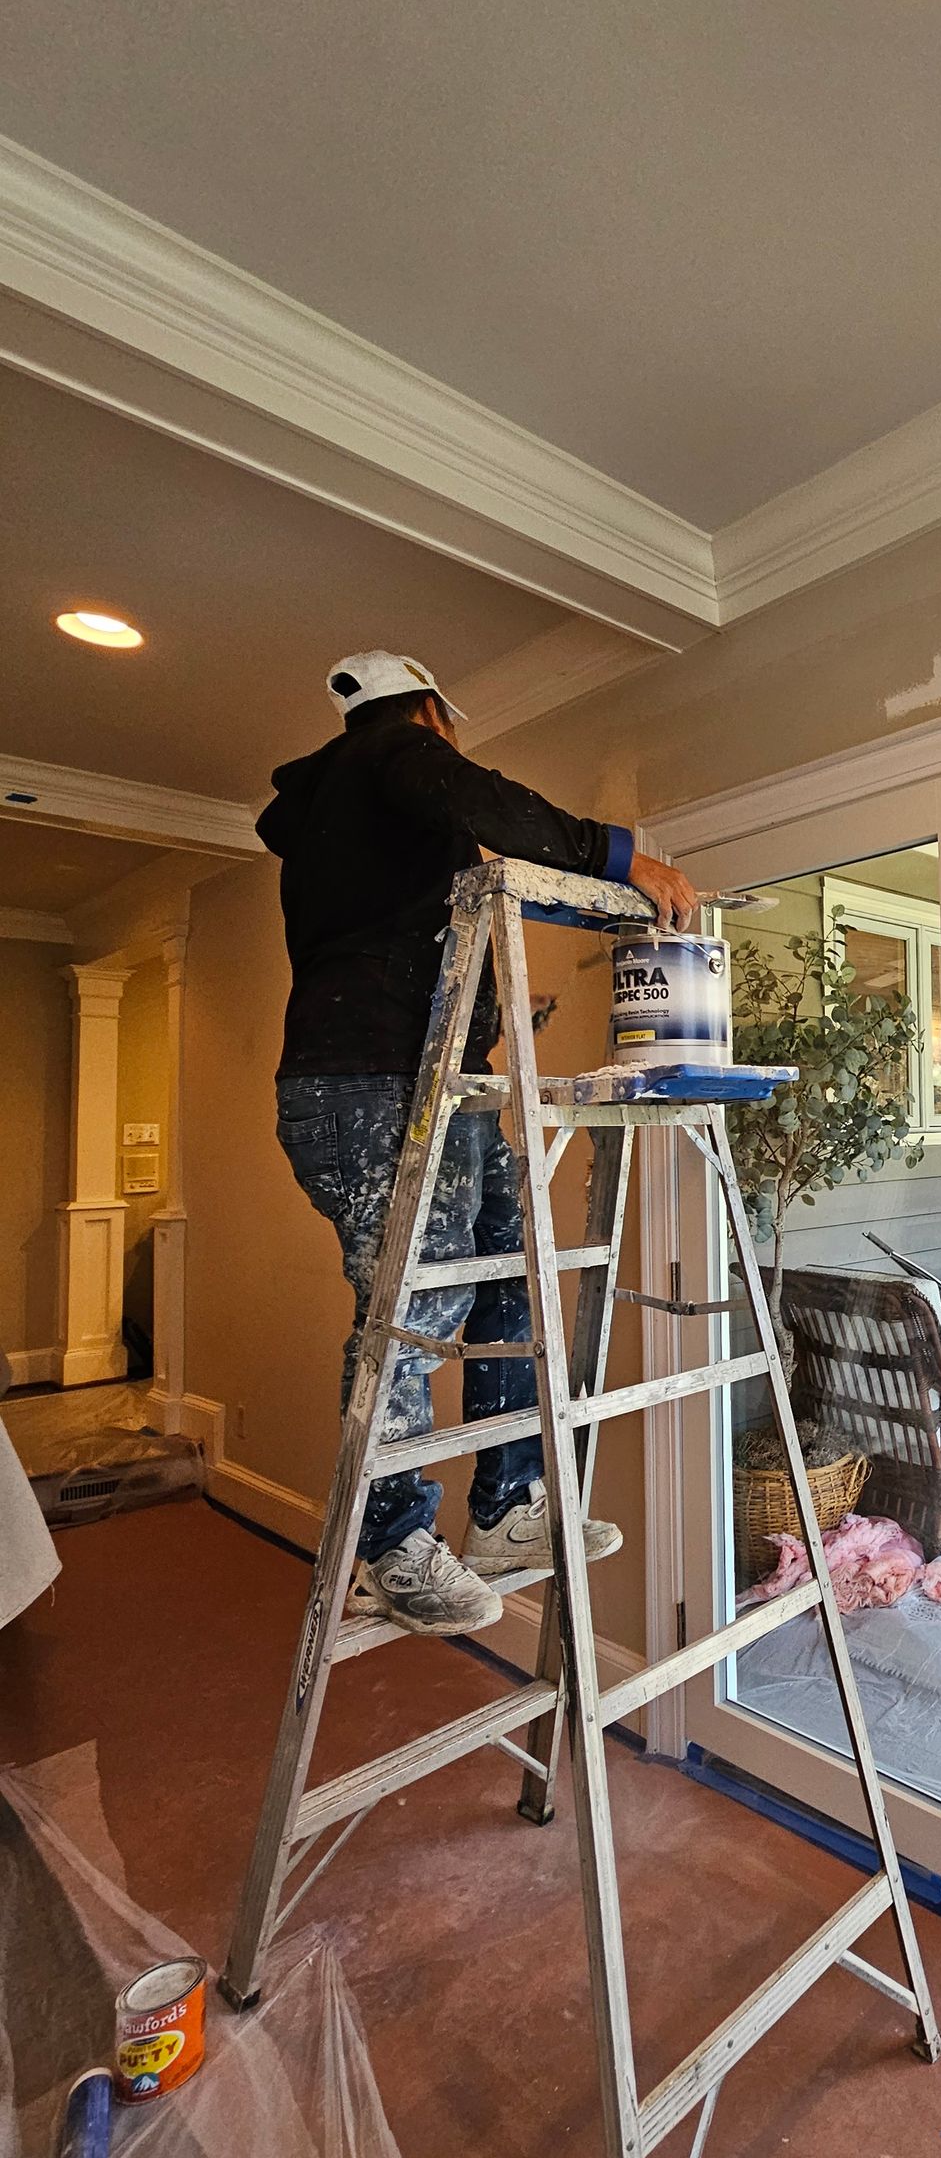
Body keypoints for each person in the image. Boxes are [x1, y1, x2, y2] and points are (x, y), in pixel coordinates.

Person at [258, 650, 700, 1635]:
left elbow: (406, 931)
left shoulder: (357, 830)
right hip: (371, 1089)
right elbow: (481, 799)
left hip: (423, 1081)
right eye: (440, 732)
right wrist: (626, 858)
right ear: (425, 714)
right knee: (415, 1296)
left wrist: (499, 1009)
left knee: (511, 1259)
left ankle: (505, 1508)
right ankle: (390, 1542)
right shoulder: (390, 755)